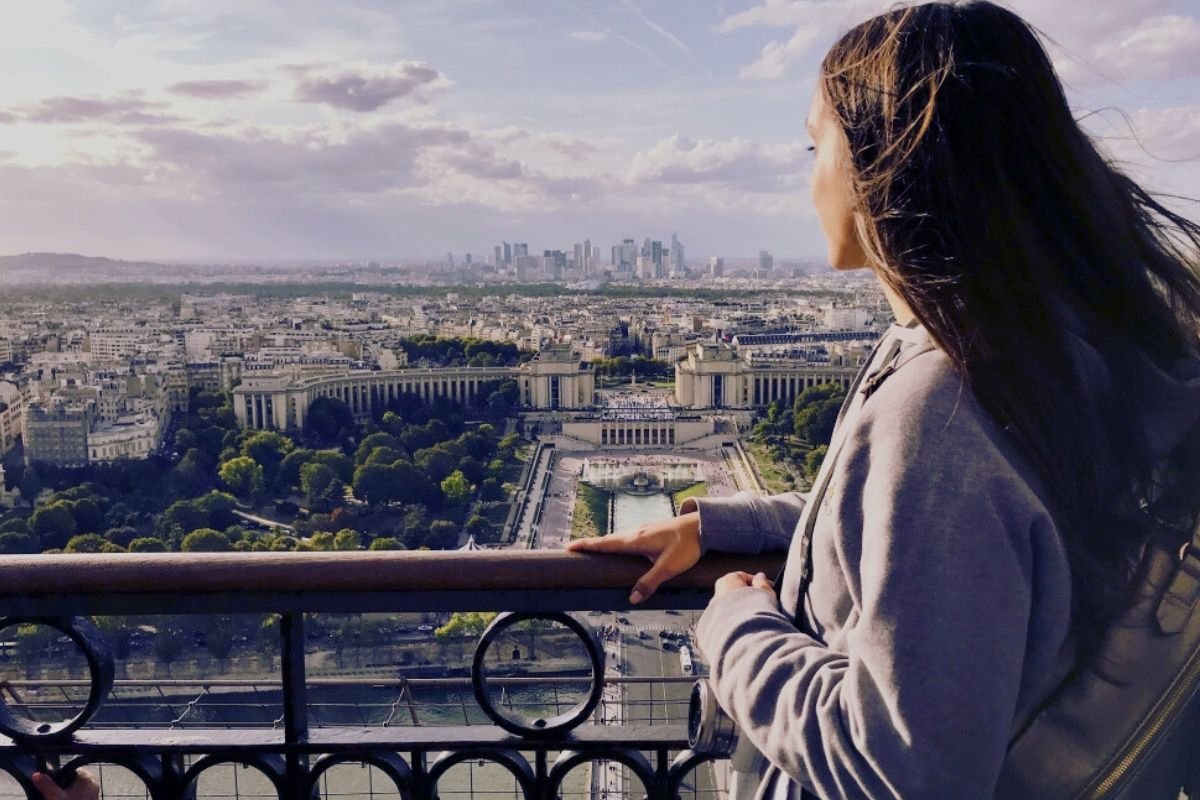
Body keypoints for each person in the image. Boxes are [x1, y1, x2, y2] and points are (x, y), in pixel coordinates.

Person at [567, 2, 1200, 798]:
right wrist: (733, 524)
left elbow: (899, 768)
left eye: (815, 146)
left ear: (882, 163)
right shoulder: (1072, 351)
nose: (809, 179)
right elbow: (970, 541)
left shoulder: (944, 407)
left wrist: (734, 628)